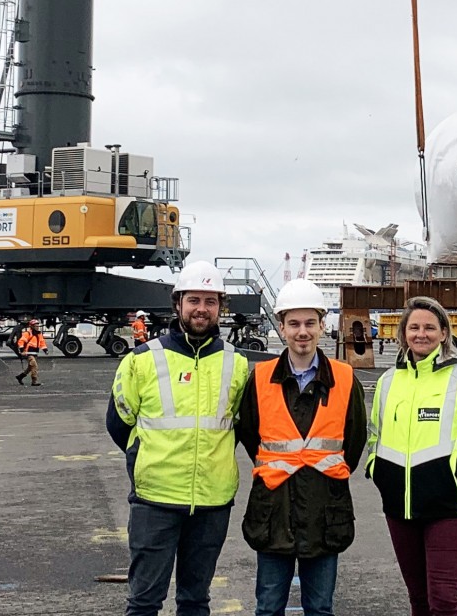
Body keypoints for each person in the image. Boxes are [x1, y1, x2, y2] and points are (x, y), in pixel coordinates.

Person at [107, 261, 253, 616]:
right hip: (155, 500)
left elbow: (239, 426)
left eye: (210, 301)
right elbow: (119, 424)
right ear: (178, 304)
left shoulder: (237, 364)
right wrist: (147, 459)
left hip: (211, 502)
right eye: (193, 300)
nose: (201, 309)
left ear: (221, 307)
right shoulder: (142, 360)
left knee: (194, 601)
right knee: (143, 602)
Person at [236, 279, 367, 616]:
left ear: (323, 326)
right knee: (268, 608)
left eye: (310, 323)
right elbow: (251, 435)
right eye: (294, 324)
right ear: (281, 328)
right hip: (274, 512)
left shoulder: (345, 378)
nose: (302, 332)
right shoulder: (261, 378)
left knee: (320, 608)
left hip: (325, 510)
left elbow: (354, 441)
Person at [367, 296, 457, 616]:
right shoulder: (388, 382)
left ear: (444, 333)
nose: (421, 334)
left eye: (429, 327)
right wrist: (376, 467)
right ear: (403, 334)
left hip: (447, 506)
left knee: (442, 599)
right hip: (399, 506)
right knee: (418, 599)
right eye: (413, 327)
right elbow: (375, 433)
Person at [15, 319, 46, 386]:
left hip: (35, 353)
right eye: (36, 326)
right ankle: (34, 381)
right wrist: (22, 351)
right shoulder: (27, 333)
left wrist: (45, 350)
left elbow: (42, 342)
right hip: (28, 354)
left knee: (30, 367)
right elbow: (21, 341)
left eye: (38, 326)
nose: (37, 327)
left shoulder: (39, 334)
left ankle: (20, 377)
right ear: (31, 326)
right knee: (34, 366)